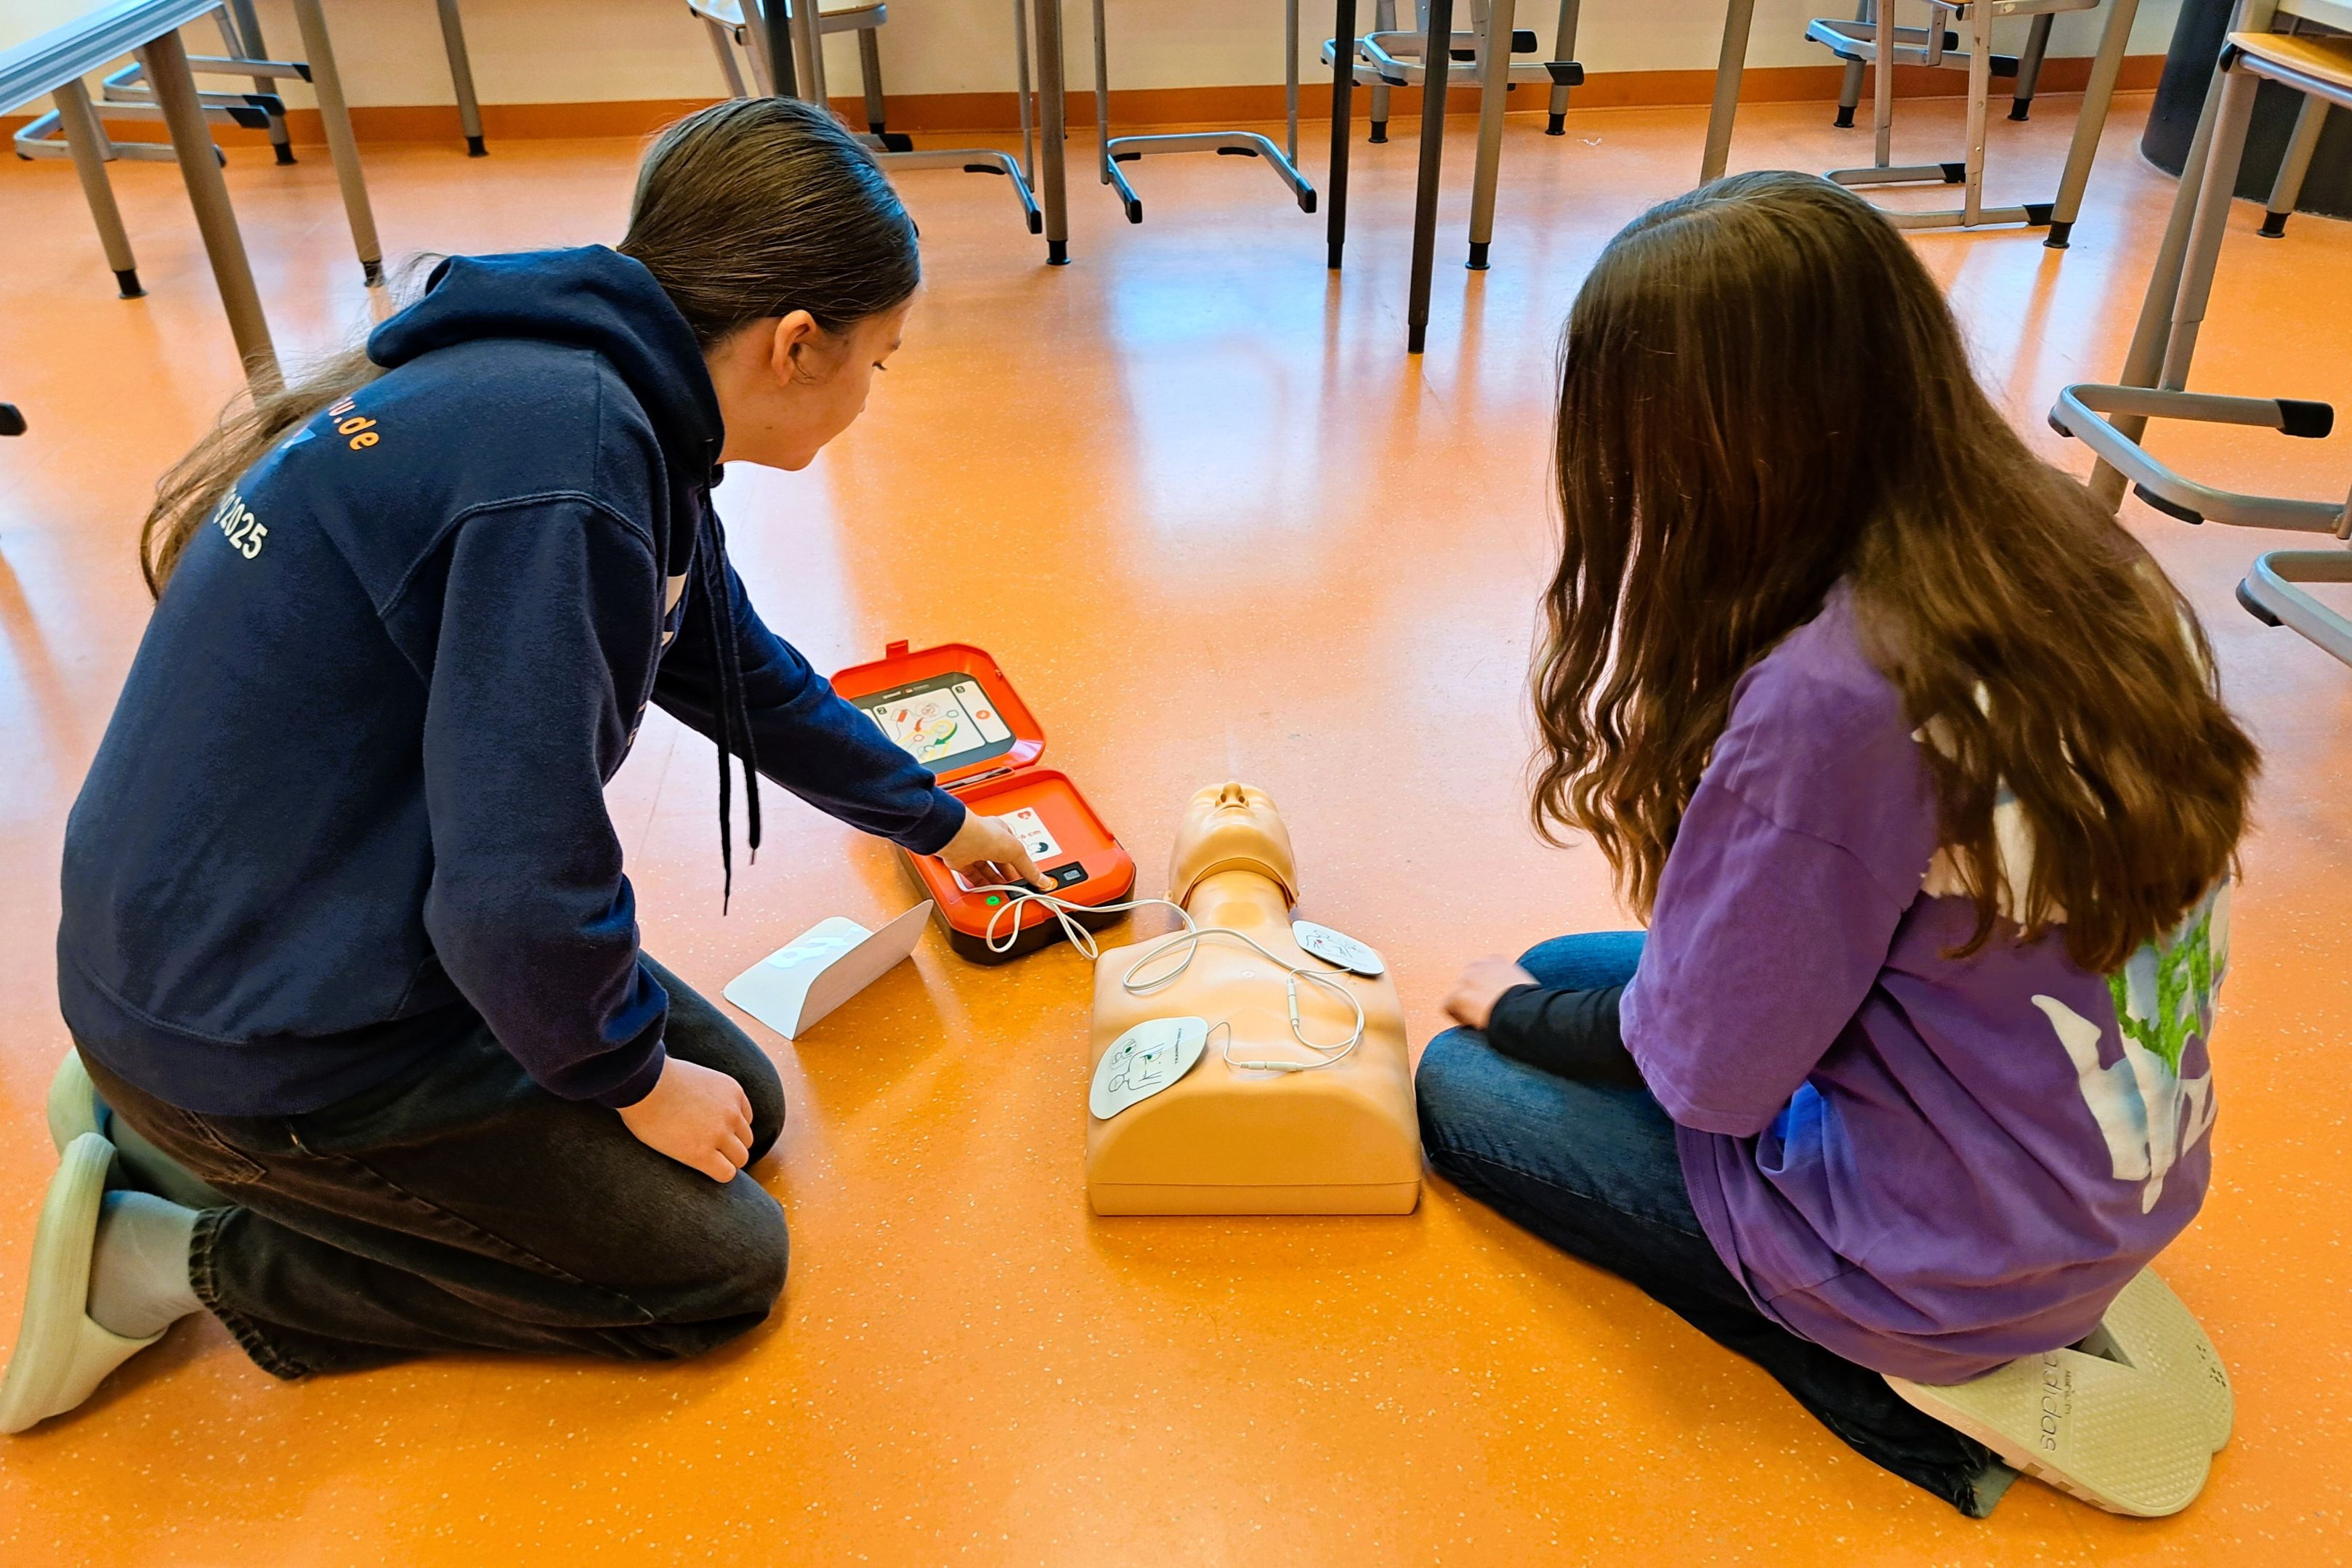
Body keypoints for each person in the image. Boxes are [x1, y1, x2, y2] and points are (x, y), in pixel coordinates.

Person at [1, 97, 1051, 1434]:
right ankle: (171, 1249)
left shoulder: (600, 391)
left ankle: (168, 1112)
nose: (869, 396)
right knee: (713, 1269)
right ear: (796, 346)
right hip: (271, 1021)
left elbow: (737, 668)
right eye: (878, 362)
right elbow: (511, 885)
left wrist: (938, 818)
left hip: (232, 941)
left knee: (748, 1107)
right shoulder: (577, 474)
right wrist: (624, 1076)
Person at [1416, 173, 2258, 1518]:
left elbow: (1708, 1080)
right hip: (2099, 1152)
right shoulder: (2056, 545)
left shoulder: (1833, 700)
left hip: (1932, 1259)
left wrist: (1519, 1020)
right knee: (1572, 967)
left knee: (1462, 1081)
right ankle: (2026, 1269)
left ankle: (1900, 1385)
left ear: (1713, 454)